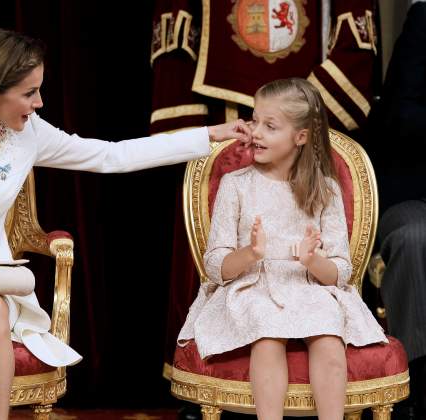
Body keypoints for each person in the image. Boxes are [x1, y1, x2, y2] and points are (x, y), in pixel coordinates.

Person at [0, 27, 250, 420]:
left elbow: (111, 156)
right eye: (29, 93)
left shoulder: (28, 134)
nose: (39, 103)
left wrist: (209, 134)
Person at [177, 78, 387, 420]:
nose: (256, 132)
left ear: (300, 137)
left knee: (329, 330)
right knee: (266, 329)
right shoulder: (235, 185)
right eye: (254, 120)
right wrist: (250, 254)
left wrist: (312, 260)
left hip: (308, 286)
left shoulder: (326, 190)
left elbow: (341, 272)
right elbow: (214, 265)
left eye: (270, 126)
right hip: (252, 288)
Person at [363, 2, 426, 418]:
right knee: (414, 238)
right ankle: (417, 387)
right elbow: (401, 116)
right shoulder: (424, 19)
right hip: (415, 193)